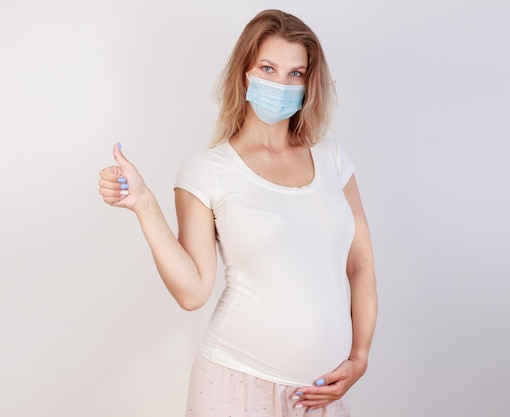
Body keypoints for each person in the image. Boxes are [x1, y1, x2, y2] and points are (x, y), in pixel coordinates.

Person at [98, 9, 377, 417]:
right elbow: (193, 292)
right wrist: (145, 205)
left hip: (322, 392)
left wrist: (360, 355)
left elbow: (362, 264)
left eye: (295, 74)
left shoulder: (331, 157)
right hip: (235, 384)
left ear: (308, 82)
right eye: (268, 68)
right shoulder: (208, 170)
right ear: (245, 71)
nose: (281, 83)